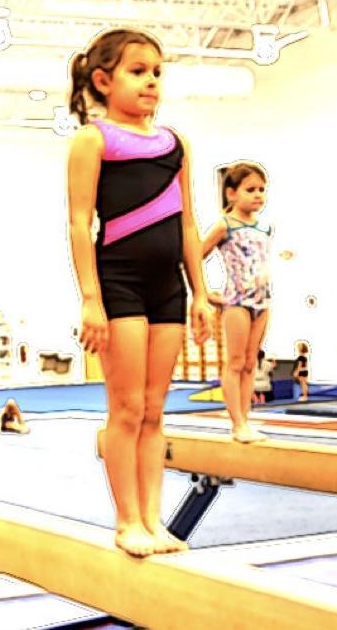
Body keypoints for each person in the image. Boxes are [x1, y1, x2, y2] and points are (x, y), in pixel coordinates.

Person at [66, 28, 211, 557]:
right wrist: (90, 298)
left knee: (154, 410)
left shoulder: (175, 145)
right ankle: (127, 519)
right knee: (126, 408)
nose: (151, 81)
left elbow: (188, 224)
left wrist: (201, 292)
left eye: (156, 72)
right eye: (137, 71)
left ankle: (152, 519)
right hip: (119, 282)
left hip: (168, 287)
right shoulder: (94, 140)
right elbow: (79, 222)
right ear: (104, 81)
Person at [201, 162, 272, 443]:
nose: (258, 195)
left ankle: (246, 421)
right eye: (250, 189)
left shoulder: (265, 227)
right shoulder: (225, 225)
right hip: (237, 301)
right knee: (236, 361)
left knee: (251, 364)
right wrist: (204, 293)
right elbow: (195, 256)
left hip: (263, 300)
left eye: (262, 190)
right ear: (231, 193)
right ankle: (237, 423)